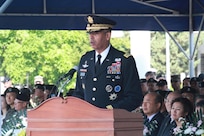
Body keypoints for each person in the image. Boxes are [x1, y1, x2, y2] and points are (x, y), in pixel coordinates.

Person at [73, 15, 143, 112]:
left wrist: (109, 110)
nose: (91, 37)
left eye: (96, 33)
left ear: (107, 35)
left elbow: (134, 97)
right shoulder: (85, 59)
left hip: (113, 120)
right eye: (89, 33)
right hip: (87, 120)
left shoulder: (125, 60)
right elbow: (79, 92)